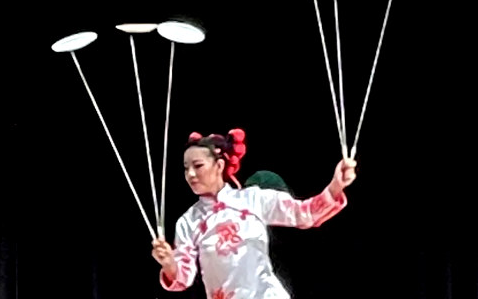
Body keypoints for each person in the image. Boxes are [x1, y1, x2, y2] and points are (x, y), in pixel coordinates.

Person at [151, 128, 357, 299]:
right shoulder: (188, 222)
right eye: (186, 168)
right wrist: (169, 263)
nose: (191, 174)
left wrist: (336, 185)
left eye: (198, 166)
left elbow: (305, 213)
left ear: (219, 165)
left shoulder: (253, 199)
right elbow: (183, 278)